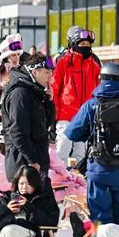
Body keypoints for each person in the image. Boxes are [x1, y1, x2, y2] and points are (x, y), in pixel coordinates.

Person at [65, 63, 119, 227]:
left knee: (101, 217)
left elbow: (72, 133)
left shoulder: (91, 105)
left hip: (98, 169)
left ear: (101, 79)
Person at [50, 26, 101, 162]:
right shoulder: (64, 62)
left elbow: (98, 91)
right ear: (73, 44)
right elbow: (54, 88)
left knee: (80, 152)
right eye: (82, 44)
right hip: (66, 114)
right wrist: (53, 115)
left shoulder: (94, 65)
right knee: (62, 149)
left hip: (86, 115)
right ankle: (59, 177)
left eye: (87, 44)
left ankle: (77, 180)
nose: (85, 46)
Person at [0, 54, 54, 182]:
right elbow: (17, 132)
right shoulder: (20, 94)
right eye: (47, 72)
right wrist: (32, 161)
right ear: (35, 72)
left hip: (36, 161)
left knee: (43, 201)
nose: (50, 77)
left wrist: (49, 102)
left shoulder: (33, 91)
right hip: (23, 165)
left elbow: (45, 124)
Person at [0, 34, 24, 105]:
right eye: (13, 55)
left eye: (18, 54)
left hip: (16, 108)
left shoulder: (22, 70)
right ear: (6, 56)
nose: (17, 58)